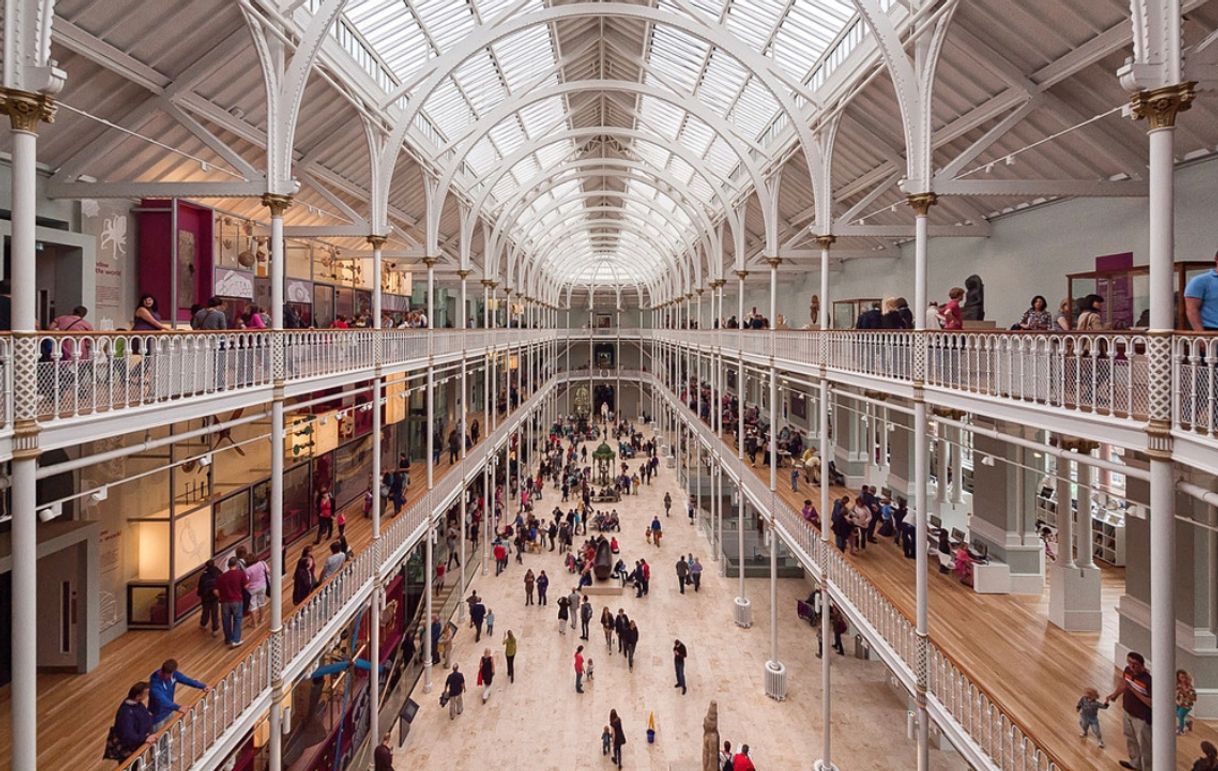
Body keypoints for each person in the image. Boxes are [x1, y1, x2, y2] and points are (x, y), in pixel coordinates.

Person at [1107, 650, 1152, 771]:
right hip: (1127, 710)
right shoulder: (1127, 671)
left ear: (1142, 665)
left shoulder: (1148, 681)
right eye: (1129, 662)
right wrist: (1115, 694)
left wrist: (1133, 690)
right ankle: (1135, 763)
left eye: (1135, 664)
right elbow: (1124, 684)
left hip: (1142, 717)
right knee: (1130, 738)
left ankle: (1148, 767)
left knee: (1145, 744)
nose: (1131, 666)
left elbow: (1151, 703)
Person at [148, 659, 208, 729]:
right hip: (157, 717)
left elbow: (186, 680)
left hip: (169, 710)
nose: (169, 676)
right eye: (167, 674)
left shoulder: (174, 674)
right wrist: (178, 707)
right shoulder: (155, 685)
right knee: (158, 737)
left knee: (169, 735)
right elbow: (161, 699)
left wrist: (203, 686)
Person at [106, 682, 156, 762]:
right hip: (131, 748)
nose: (147, 695)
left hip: (138, 744)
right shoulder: (126, 713)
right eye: (145, 693)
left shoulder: (138, 704)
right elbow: (128, 734)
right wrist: (144, 738)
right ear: (138, 696)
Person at [217, 557, 248, 647]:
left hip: (224, 601)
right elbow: (246, 586)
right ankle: (236, 640)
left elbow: (215, 590)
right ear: (237, 565)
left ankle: (228, 639)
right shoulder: (240, 574)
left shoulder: (221, 577)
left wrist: (221, 596)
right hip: (237, 599)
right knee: (237, 619)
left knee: (226, 620)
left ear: (228, 565)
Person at [1185, 252, 1218, 331]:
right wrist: (1201, 336)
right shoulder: (1200, 281)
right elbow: (1192, 310)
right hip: (1211, 332)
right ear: (1216, 260)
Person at [244, 554, 271, 626]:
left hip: (252, 589)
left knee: (252, 606)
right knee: (261, 602)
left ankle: (254, 623)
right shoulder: (262, 563)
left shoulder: (247, 570)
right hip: (262, 586)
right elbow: (268, 571)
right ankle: (262, 618)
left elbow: (246, 581)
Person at [196, 560, 221, 636]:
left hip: (206, 596)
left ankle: (203, 624)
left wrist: (200, 594)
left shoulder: (204, 575)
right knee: (214, 613)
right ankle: (215, 629)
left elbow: (200, 586)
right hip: (214, 595)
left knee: (205, 611)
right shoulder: (217, 571)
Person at [1178, 669, 1198, 735]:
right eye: (1181, 677)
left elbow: (1194, 698)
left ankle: (1181, 730)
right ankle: (1187, 722)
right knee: (1178, 714)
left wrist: (1185, 694)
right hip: (1178, 703)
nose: (1183, 679)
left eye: (1184, 677)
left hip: (1187, 705)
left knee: (1180, 715)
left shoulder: (1190, 687)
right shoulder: (1178, 686)